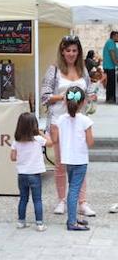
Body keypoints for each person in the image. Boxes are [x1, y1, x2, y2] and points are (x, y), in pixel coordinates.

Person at [41, 35, 96, 217]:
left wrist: (90, 98)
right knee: (60, 164)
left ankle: (82, 201)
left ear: (78, 52)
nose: (71, 54)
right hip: (59, 122)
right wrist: (62, 97)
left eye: (74, 50)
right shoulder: (54, 70)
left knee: (80, 163)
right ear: (62, 52)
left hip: (78, 123)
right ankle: (61, 200)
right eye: (68, 50)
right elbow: (44, 97)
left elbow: (87, 92)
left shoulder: (83, 70)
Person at [50, 86, 94, 231]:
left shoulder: (60, 119)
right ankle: (72, 222)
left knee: (72, 188)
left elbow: (54, 139)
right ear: (82, 103)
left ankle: (73, 218)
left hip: (67, 159)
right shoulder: (86, 120)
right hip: (80, 159)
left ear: (65, 101)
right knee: (75, 190)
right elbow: (90, 142)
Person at [10, 112, 53, 232]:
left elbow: (13, 157)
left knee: (23, 198)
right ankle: (39, 224)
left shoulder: (16, 141)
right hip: (34, 174)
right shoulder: (38, 140)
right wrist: (41, 132)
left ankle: (21, 221)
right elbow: (50, 143)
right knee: (37, 199)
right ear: (34, 125)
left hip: (22, 174)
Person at [102, 31, 118, 103]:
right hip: (109, 67)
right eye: (117, 36)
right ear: (113, 36)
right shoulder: (111, 42)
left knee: (110, 84)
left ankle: (109, 98)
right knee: (111, 84)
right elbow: (112, 55)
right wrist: (116, 64)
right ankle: (110, 99)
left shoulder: (112, 43)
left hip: (109, 66)